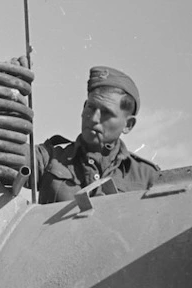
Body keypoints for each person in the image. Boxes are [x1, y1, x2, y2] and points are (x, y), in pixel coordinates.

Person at [12, 58, 159, 204]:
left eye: (106, 113)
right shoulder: (50, 158)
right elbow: (6, 156)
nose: (94, 118)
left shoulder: (147, 176)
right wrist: (9, 93)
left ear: (128, 125)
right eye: (91, 107)